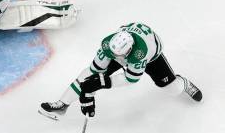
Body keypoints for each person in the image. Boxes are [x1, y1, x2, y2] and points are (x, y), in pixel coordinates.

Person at [39, 23, 201, 120]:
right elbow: (94, 70)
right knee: (88, 74)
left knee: (173, 90)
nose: (116, 57)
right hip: (124, 51)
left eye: (120, 55)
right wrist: (89, 90)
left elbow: (131, 79)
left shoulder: (140, 53)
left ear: (129, 50)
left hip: (152, 58)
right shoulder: (109, 44)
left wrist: (102, 83)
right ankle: (62, 104)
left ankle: (183, 83)